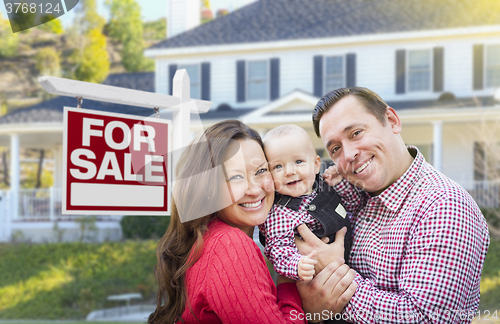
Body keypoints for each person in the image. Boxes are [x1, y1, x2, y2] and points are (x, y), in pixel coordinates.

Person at [296, 87, 490, 323]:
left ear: (392, 120)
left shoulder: (443, 205)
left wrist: (333, 282)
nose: (348, 154)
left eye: (356, 133)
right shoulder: (353, 196)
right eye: (335, 148)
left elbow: (427, 319)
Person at [148, 120, 357, 324]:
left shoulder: (210, 236)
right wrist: (307, 306)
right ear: (208, 188)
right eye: (235, 177)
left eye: (260, 171)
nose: (255, 189)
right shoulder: (230, 245)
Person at [259, 124, 352, 282]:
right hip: (317, 278)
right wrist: (297, 265)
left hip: (353, 264)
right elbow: (278, 250)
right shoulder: (279, 213)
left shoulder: (324, 186)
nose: (289, 171)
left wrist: (339, 184)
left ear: (316, 165)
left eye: (298, 161)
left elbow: (352, 206)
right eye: (278, 166)